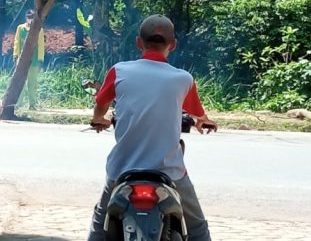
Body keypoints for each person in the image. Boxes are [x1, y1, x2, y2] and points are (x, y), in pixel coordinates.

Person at [88, 14, 217, 241]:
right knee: (197, 228)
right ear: (173, 45)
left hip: (122, 170)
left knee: (101, 222)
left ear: (139, 42)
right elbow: (198, 113)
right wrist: (203, 121)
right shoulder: (183, 79)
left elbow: (100, 106)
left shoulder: (119, 71)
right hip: (169, 173)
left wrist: (100, 119)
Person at [13, 9, 45, 110]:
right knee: (20, 82)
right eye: (29, 17)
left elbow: (41, 45)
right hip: (22, 60)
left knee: (32, 83)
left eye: (32, 17)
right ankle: (18, 103)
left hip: (34, 60)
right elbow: (17, 42)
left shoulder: (39, 29)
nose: (30, 19)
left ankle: (32, 104)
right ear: (26, 18)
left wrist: (40, 59)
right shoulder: (20, 28)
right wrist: (15, 56)